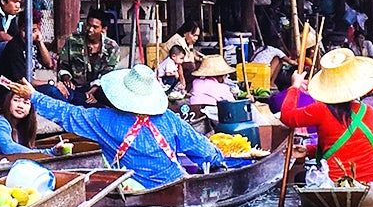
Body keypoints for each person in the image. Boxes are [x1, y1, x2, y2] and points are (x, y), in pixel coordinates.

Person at [12, 65, 226, 191]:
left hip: (134, 190)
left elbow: (67, 114)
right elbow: (203, 150)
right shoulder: (169, 118)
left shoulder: (104, 120)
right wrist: (219, 160)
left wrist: (34, 96)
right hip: (174, 186)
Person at [281, 47, 373, 191]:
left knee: (300, 177)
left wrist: (295, 86)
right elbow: (352, 143)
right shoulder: (368, 111)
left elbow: (287, 116)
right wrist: (308, 150)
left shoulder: (321, 110)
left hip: (334, 184)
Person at [46, 9, 119, 105]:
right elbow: (63, 65)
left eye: (95, 27)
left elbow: (109, 74)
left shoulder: (112, 47)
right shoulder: (72, 41)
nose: (90, 29)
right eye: (88, 25)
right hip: (75, 88)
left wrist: (95, 89)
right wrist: (66, 78)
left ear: (103, 29)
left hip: (99, 90)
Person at [0, 91, 51, 158]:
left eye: (26, 103)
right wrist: (48, 153)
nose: (20, 106)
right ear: (9, 102)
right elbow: (9, 148)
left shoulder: (21, 126)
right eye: (16, 100)